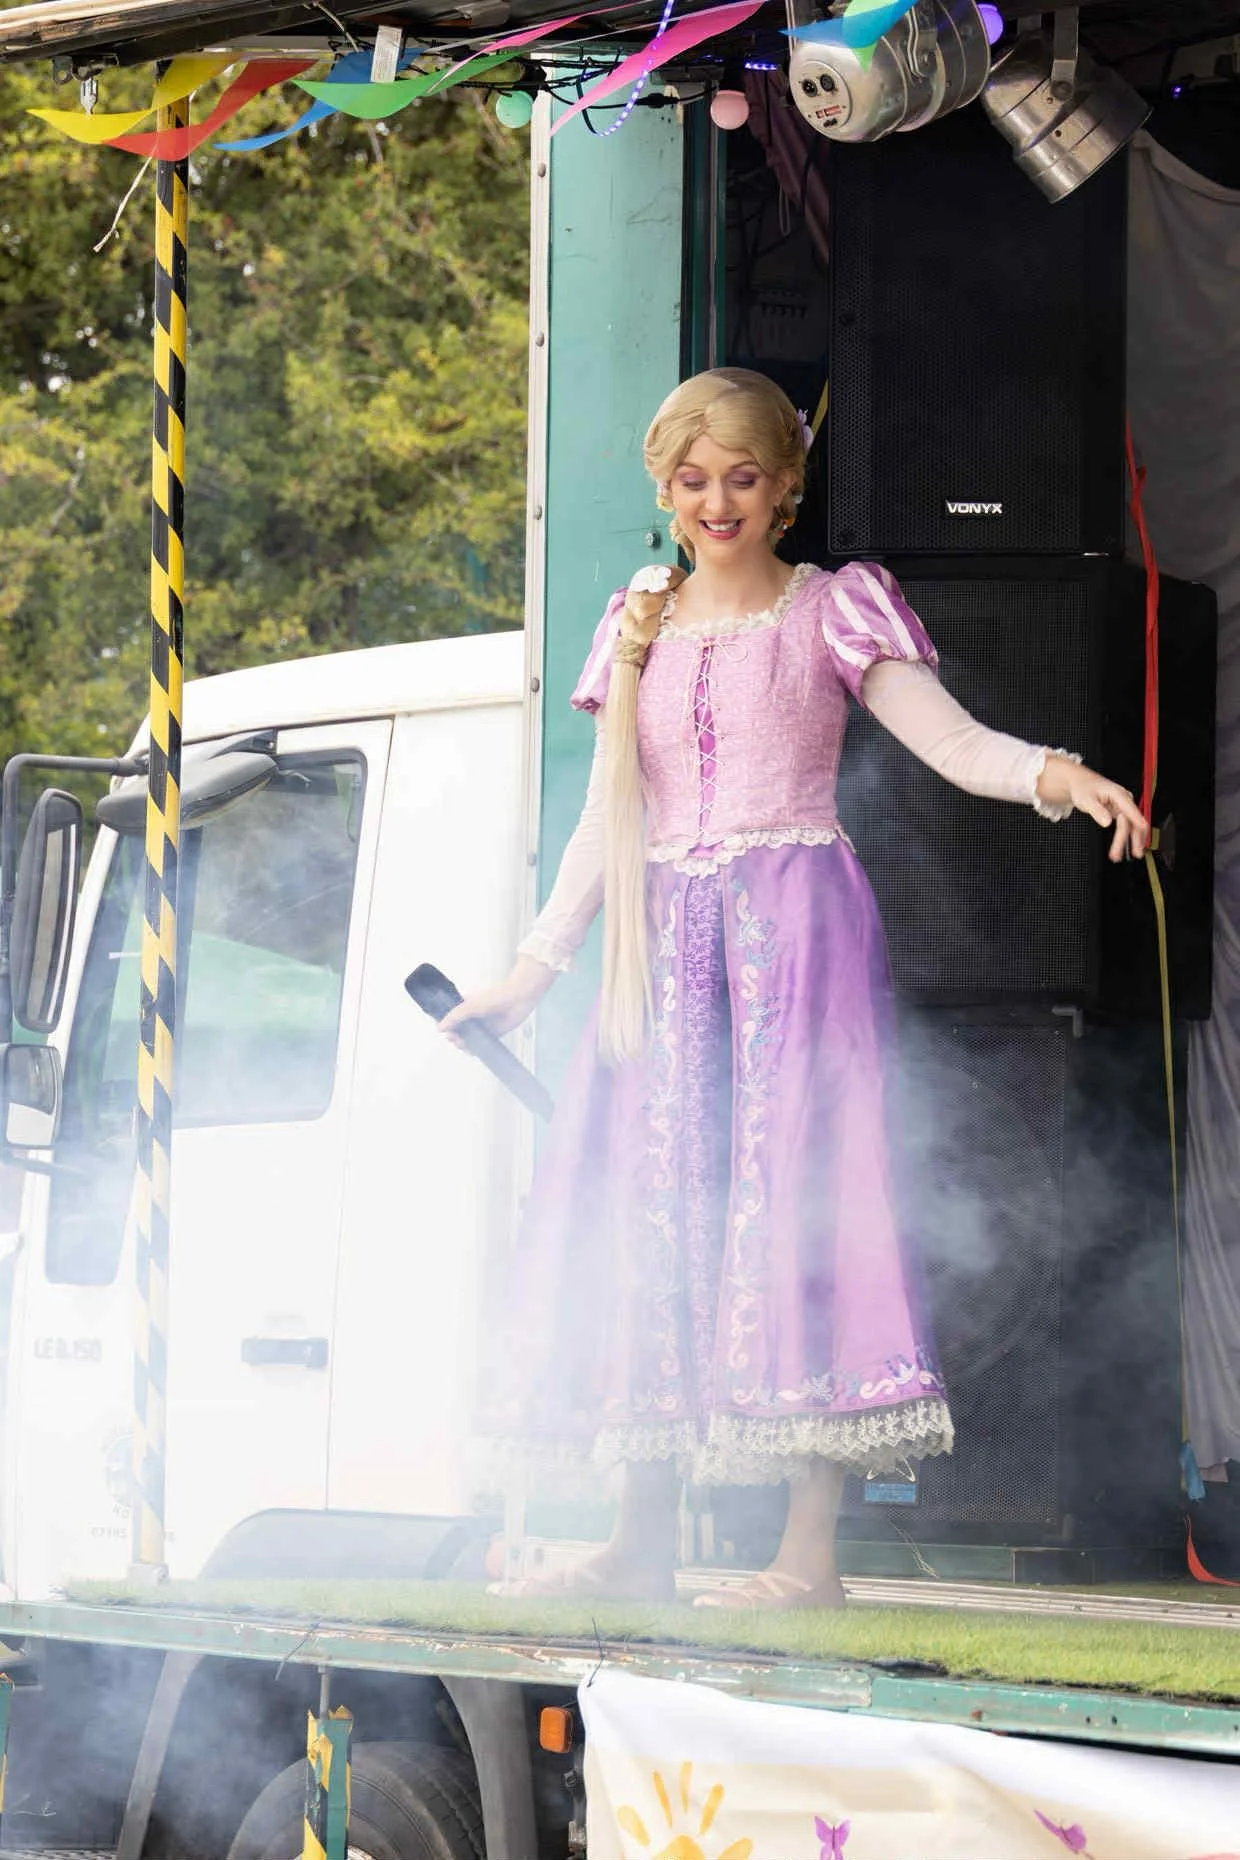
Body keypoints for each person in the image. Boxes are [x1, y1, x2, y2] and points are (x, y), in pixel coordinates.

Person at [442, 368, 1148, 1611]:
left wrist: (1061, 776)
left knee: (803, 1208)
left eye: (745, 476)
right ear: (663, 489)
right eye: (693, 479)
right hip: (659, 951)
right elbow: (610, 821)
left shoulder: (832, 609)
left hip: (798, 936)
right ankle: (637, 1537)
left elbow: (951, 742)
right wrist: (528, 972)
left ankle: (805, 1560)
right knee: (656, 1208)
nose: (717, 500)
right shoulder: (636, 620)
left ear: (786, 488)